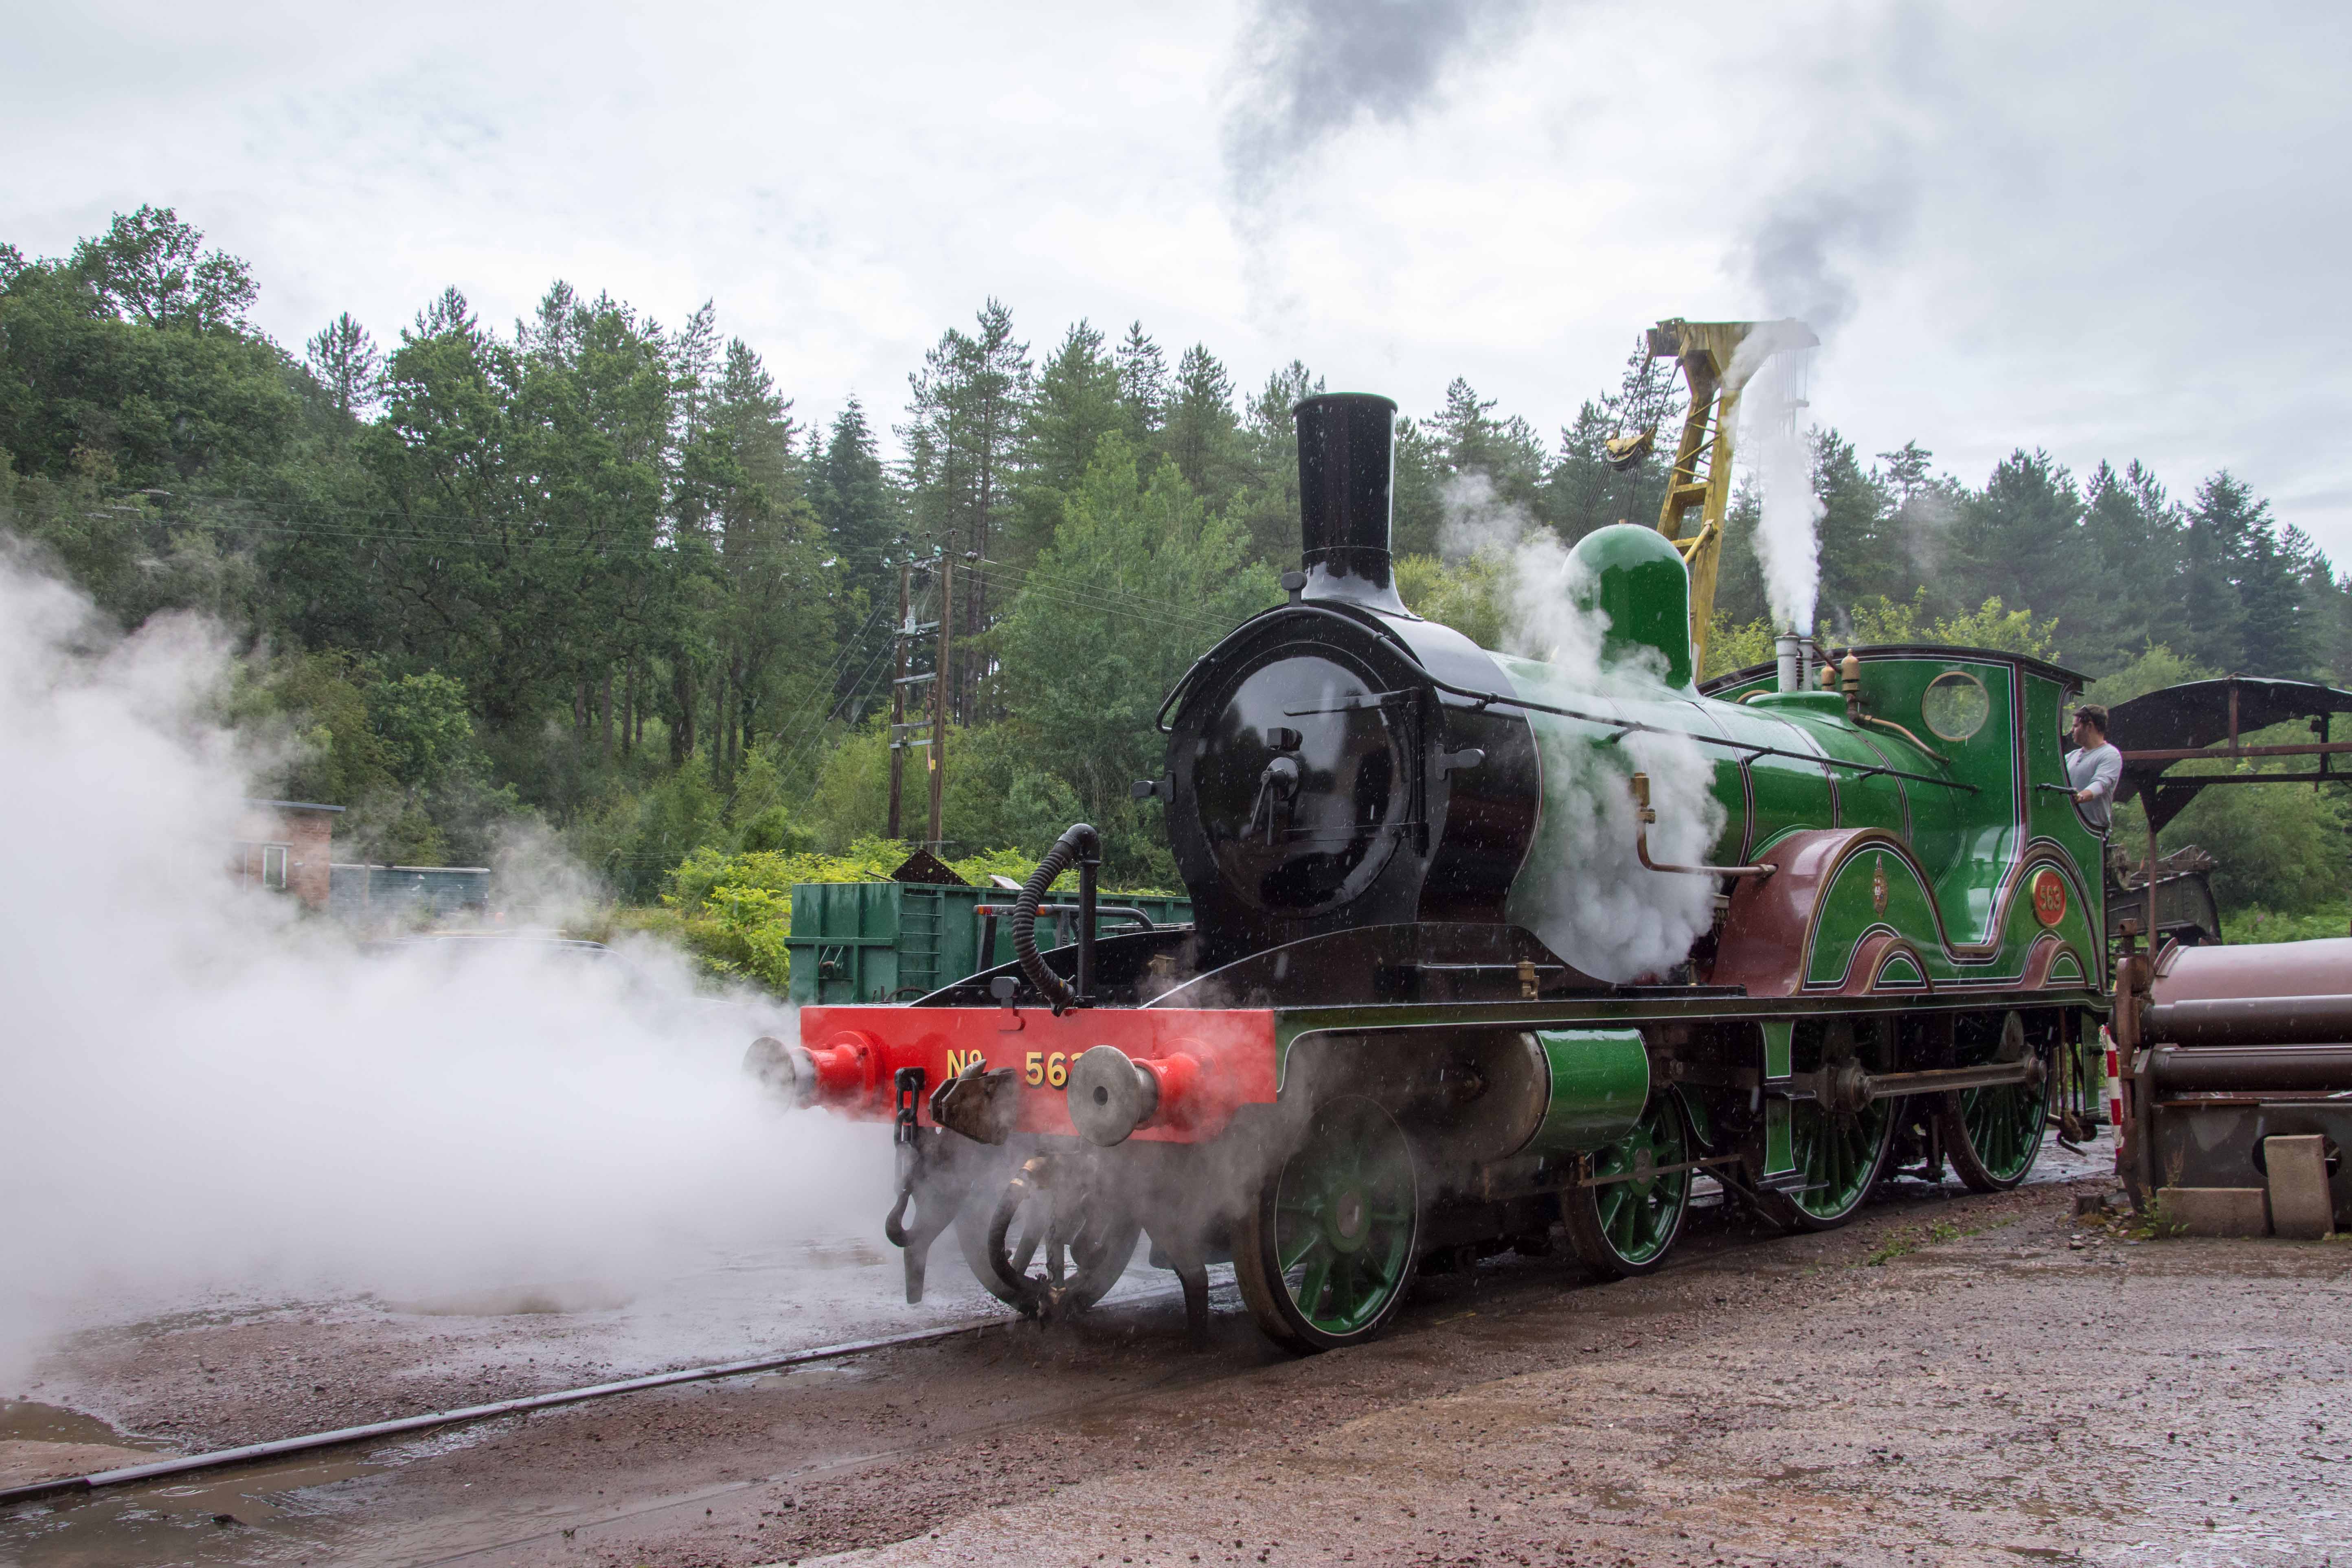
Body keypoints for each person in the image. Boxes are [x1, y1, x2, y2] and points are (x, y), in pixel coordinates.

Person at [2065, 704, 2121, 833]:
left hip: (2093, 832)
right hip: (2069, 829)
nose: (2071, 730)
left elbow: (2100, 784)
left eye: (2076, 726)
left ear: (2089, 726)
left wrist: (2080, 796)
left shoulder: (2110, 755)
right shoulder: (2071, 757)